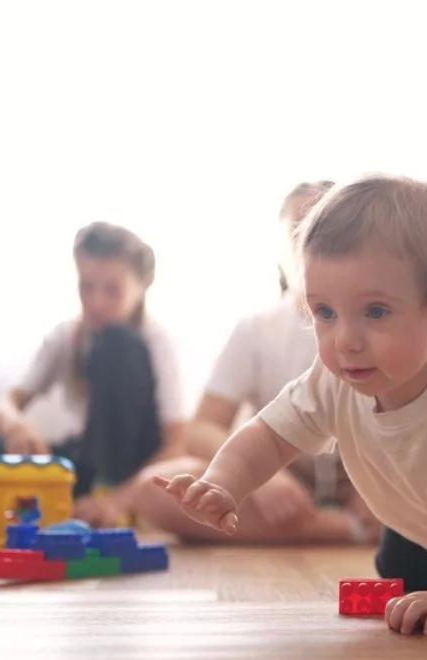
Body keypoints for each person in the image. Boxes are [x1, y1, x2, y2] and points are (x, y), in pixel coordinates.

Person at [153, 175, 427, 635]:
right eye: (324, 313)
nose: (345, 341)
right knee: (399, 578)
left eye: (375, 312)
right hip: (422, 515)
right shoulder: (335, 376)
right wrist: (223, 483)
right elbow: (269, 436)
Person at [133, 181, 376, 544]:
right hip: (284, 481)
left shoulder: (384, 324)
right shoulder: (258, 330)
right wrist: (263, 478)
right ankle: (351, 531)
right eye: (299, 232)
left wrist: (379, 486)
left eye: (325, 232)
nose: (311, 244)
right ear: (280, 249)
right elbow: (202, 429)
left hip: (374, 483)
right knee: (156, 489)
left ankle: (365, 524)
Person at [0, 222, 186, 527]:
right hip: (81, 461)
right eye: (86, 287)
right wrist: (15, 426)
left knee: (116, 343)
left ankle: (87, 503)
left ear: (142, 286)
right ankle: (39, 509)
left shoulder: (155, 342)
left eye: (112, 290)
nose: (96, 302)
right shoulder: (68, 335)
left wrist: (119, 498)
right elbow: (6, 403)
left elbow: (175, 446)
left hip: (130, 472)